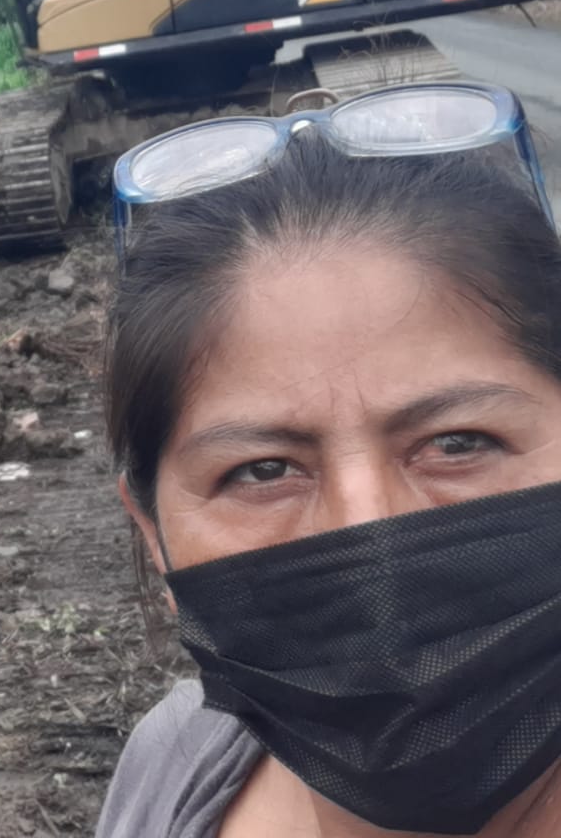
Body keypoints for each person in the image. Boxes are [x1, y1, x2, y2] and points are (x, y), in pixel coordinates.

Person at [92, 81, 561, 838]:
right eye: (263, 470)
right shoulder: (172, 763)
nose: (368, 536)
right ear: (154, 534)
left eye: (458, 443)